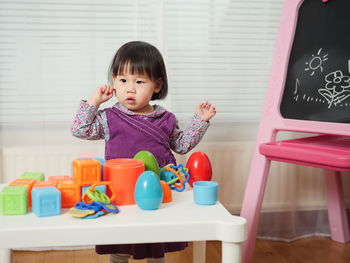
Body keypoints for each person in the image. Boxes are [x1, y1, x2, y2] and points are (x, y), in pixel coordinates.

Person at [71, 41, 216, 263]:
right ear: (113, 81)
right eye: (122, 80)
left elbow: (182, 145)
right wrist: (95, 101)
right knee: (120, 249)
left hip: (155, 194)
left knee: (156, 249)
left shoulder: (166, 119)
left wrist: (200, 121)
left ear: (157, 85)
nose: (130, 88)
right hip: (123, 196)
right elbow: (79, 129)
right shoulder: (109, 117)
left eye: (139, 81)